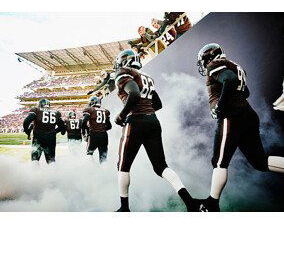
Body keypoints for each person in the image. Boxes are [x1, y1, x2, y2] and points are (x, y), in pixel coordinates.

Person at [196, 43, 284, 212]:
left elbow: (229, 79)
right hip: (247, 114)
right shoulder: (234, 64)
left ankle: (212, 204)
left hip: (232, 117)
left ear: (208, 58)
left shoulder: (215, 65)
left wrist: (219, 106)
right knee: (260, 162)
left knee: (219, 162)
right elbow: (246, 92)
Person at [114, 49, 199, 212]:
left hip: (135, 122)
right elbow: (158, 104)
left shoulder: (124, 72)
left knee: (123, 166)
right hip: (152, 121)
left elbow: (134, 94)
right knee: (161, 167)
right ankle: (190, 202)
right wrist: (146, 113)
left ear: (124, 62)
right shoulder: (147, 78)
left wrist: (122, 115)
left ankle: (124, 208)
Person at [23, 99, 65, 166]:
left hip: (38, 137)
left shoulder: (36, 110)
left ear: (40, 104)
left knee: (35, 158)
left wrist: (27, 131)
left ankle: (34, 174)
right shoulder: (56, 112)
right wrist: (54, 132)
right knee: (51, 160)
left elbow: (26, 121)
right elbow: (62, 126)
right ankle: (53, 175)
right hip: (51, 138)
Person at [83, 96, 112, 164]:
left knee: (89, 153)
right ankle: (103, 171)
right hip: (104, 135)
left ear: (92, 102)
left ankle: (92, 171)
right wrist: (101, 130)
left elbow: (84, 122)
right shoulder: (106, 111)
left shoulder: (89, 110)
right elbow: (109, 126)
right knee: (103, 156)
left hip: (93, 134)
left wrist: (85, 133)